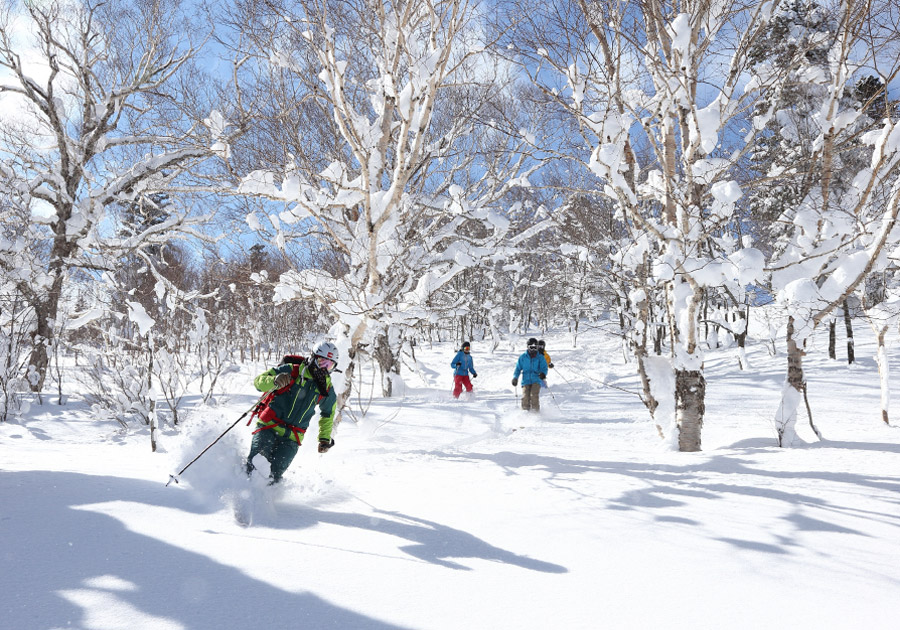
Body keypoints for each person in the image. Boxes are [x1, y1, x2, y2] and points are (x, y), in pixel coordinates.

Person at [245, 340, 339, 484]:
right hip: (268, 427)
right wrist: (274, 380)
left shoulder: (325, 388)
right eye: (322, 362)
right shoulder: (292, 370)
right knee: (256, 466)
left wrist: (324, 438)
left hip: (293, 437)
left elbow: (328, 413)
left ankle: (265, 502)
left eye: (329, 365)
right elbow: (259, 382)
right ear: (313, 358)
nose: (324, 368)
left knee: (275, 475)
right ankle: (242, 492)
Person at [512, 338, 548, 411]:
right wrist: (515, 377)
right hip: (526, 380)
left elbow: (544, 367)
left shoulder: (540, 357)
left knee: (534, 396)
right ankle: (525, 413)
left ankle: (535, 413)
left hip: (536, 379)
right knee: (525, 397)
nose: (533, 350)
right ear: (528, 347)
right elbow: (518, 368)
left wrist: (543, 374)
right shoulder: (523, 357)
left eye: (535, 348)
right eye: (531, 347)